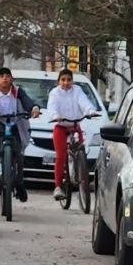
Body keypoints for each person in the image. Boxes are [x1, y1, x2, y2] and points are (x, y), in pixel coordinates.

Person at [0, 67, 40, 202]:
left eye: (8, 76)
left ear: (12, 79)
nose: (5, 79)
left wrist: (34, 109)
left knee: (19, 154)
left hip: (16, 123)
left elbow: (27, 101)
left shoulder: (18, 91)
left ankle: (20, 183)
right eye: (1, 76)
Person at [46, 68, 99, 200]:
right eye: (63, 80)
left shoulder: (77, 90)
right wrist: (56, 115)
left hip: (75, 126)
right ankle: (58, 186)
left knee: (81, 150)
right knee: (61, 156)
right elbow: (52, 106)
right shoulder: (54, 93)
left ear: (72, 81)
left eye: (69, 80)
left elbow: (83, 102)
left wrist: (90, 110)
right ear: (58, 81)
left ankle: (81, 176)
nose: (66, 83)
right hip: (61, 127)